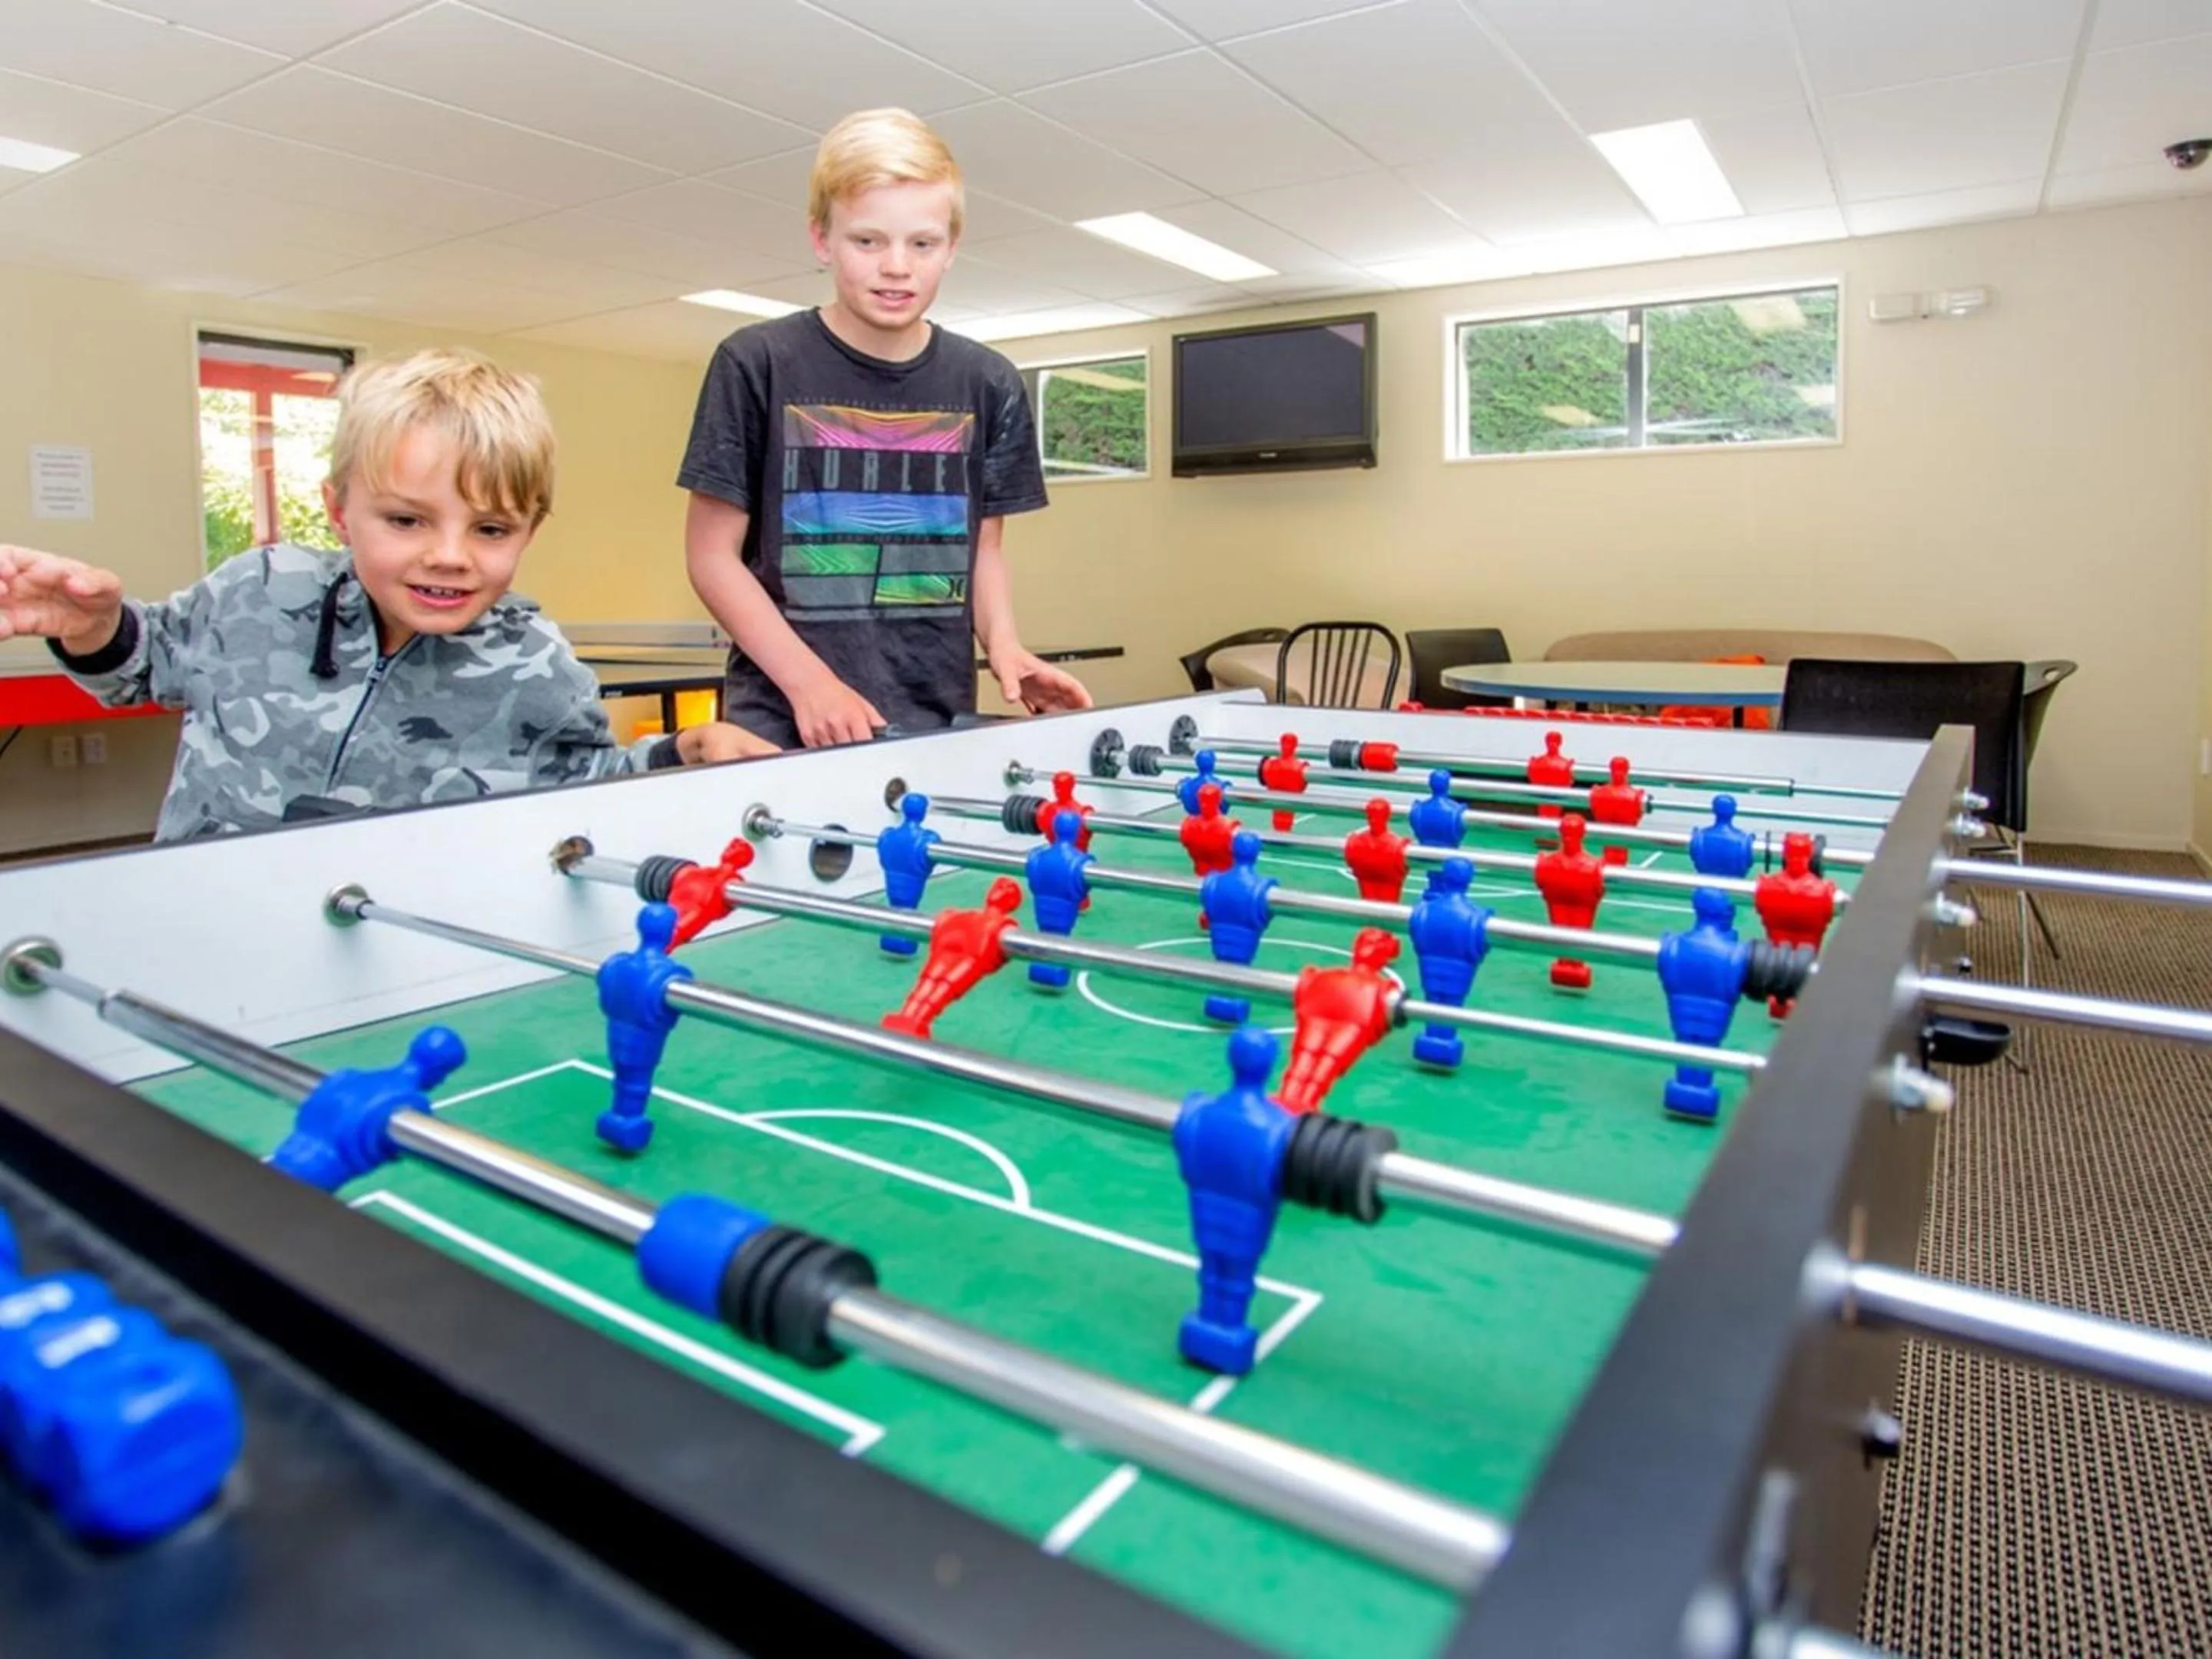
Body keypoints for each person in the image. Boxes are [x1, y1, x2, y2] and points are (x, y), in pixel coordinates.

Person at [0, 349, 774, 841]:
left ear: (532, 529)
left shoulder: (533, 663)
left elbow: (581, 784)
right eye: (406, 520)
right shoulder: (258, 591)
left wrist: (683, 747)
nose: (449, 557)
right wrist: (94, 626)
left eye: (491, 530)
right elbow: (144, 664)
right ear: (340, 509)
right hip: (205, 924)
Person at [677, 107, 1092, 749]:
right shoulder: (756, 362)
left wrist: (1006, 647)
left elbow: (983, 549)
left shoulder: (988, 381)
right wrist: (810, 685)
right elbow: (712, 558)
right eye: (867, 241)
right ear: (822, 239)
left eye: (921, 243)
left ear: (951, 248)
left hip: (934, 720)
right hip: (784, 720)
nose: (896, 266)